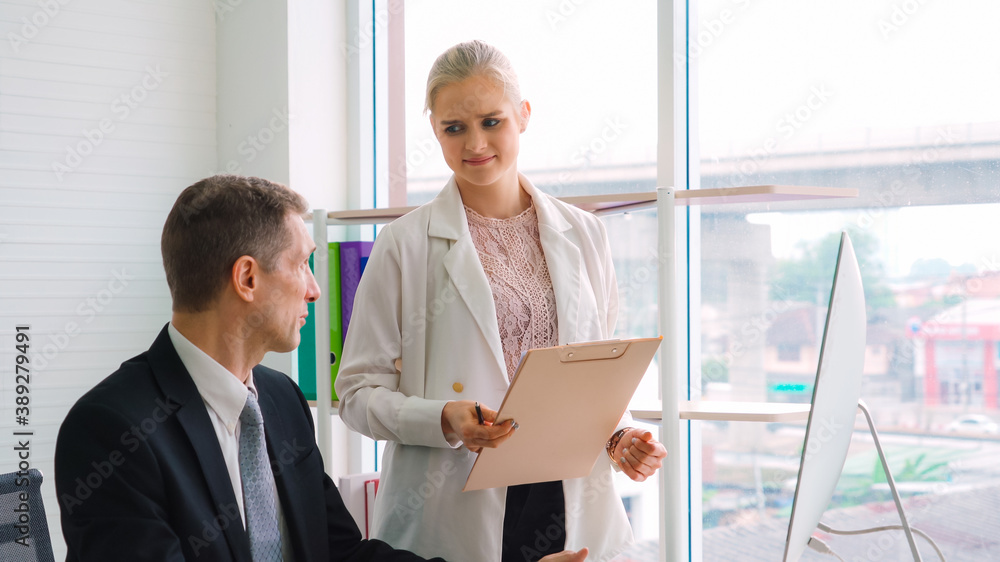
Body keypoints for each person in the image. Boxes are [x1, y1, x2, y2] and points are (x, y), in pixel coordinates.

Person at [54, 175, 588, 562]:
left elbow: (341, 553)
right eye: (302, 262)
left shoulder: (280, 401)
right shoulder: (111, 428)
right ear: (247, 279)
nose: (314, 287)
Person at [335, 40, 667, 562]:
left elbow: (595, 374)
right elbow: (356, 393)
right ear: (435, 130)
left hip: (569, 494)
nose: (475, 143)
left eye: (492, 121)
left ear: (524, 115)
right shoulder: (404, 244)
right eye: (454, 128)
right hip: (454, 500)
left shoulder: (584, 234)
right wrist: (443, 418)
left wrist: (619, 436)